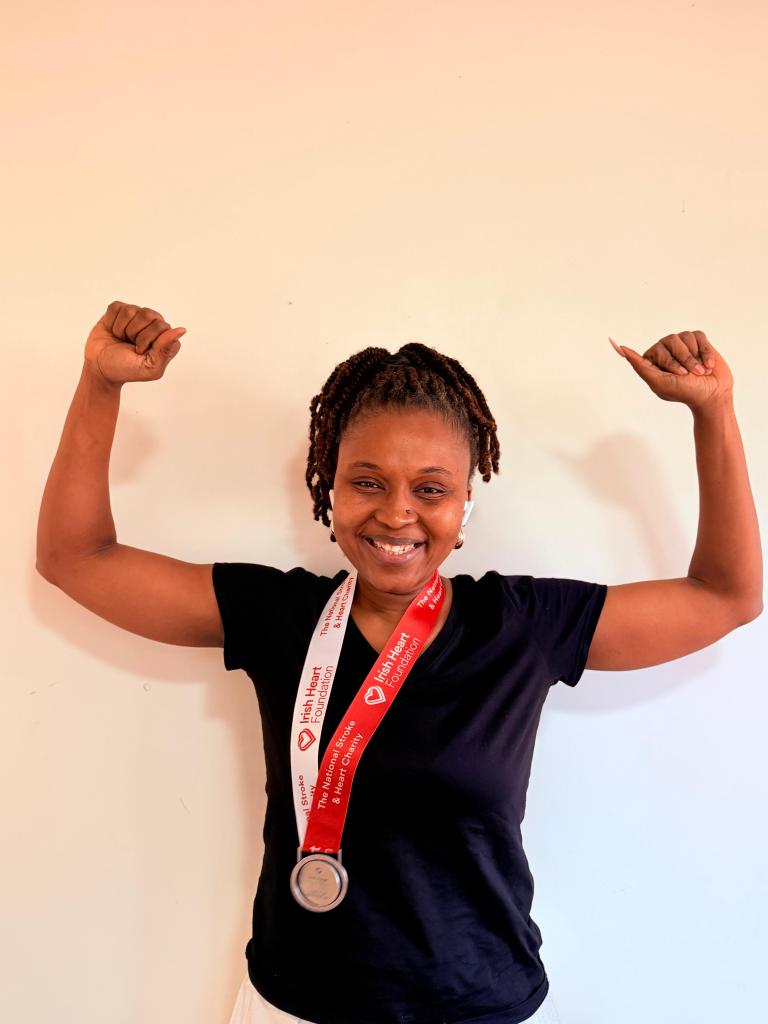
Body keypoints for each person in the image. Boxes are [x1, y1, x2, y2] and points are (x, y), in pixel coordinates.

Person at [36, 302, 763, 1024]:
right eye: (367, 481)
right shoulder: (279, 616)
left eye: (431, 488)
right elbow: (76, 558)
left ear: (466, 501)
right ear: (328, 486)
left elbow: (726, 595)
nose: (396, 513)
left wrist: (714, 410)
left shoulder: (523, 626)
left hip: (479, 1006)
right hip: (296, 1006)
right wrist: (101, 383)